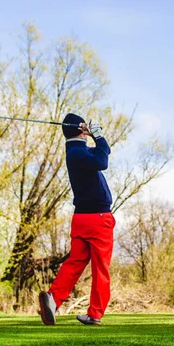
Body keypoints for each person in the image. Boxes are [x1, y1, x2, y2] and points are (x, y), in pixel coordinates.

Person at [39, 113, 116, 326]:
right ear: (80, 129)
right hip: (98, 219)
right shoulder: (79, 154)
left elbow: (105, 152)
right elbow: (102, 160)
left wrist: (98, 137)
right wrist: (97, 136)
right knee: (101, 267)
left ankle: (53, 299)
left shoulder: (75, 152)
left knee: (75, 262)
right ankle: (95, 314)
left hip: (81, 219)